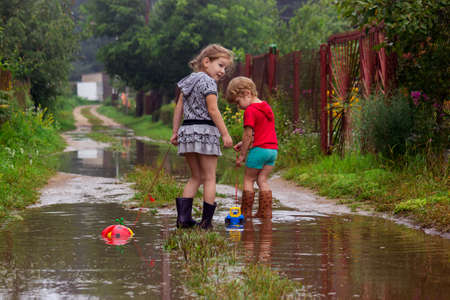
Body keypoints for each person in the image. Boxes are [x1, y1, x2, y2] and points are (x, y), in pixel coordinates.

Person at [171, 44, 234, 229]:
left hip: (187, 132)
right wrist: (225, 134)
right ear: (206, 62)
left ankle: (183, 219)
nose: (223, 71)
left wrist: (175, 132)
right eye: (220, 65)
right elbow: (213, 110)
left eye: (225, 68)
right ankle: (206, 223)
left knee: (195, 176)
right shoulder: (208, 82)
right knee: (209, 177)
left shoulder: (189, 80)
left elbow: (179, 107)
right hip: (205, 132)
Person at [225, 76, 278, 219]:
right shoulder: (266, 107)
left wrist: (242, 155)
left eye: (238, 101)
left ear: (247, 93)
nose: (239, 106)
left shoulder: (250, 110)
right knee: (262, 180)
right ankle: (265, 213)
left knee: (248, 180)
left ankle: (246, 213)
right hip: (272, 151)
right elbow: (262, 132)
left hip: (259, 150)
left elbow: (248, 135)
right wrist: (244, 144)